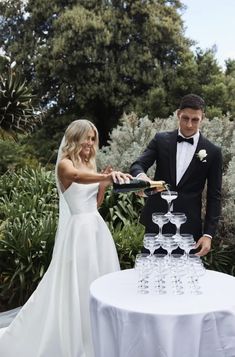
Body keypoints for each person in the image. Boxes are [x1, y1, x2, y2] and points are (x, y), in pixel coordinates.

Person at [0, 119, 131, 357]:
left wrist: (103, 183)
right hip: (79, 233)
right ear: (74, 138)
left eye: (93, 138)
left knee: (97, 280)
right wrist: (106, 178)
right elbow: (77, 178)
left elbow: (96, 204)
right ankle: (76, 337)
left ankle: (95, 334)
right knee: (79, 283)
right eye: (86, 138)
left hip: (97, 231)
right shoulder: (65, 164)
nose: (90, 143)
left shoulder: (88, 165)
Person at [130, 94, 223, 256]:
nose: (189, 124)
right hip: (156, 223)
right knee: (152, 275)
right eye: (185, 118)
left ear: (203, 118)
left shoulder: (213, 152)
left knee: (184, 277)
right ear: (178, 113)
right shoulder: (161, 140)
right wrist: (142, 177)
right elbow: (137, 165)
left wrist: (208, 234)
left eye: (195, 120)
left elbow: (214, 196)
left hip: (188, 228)